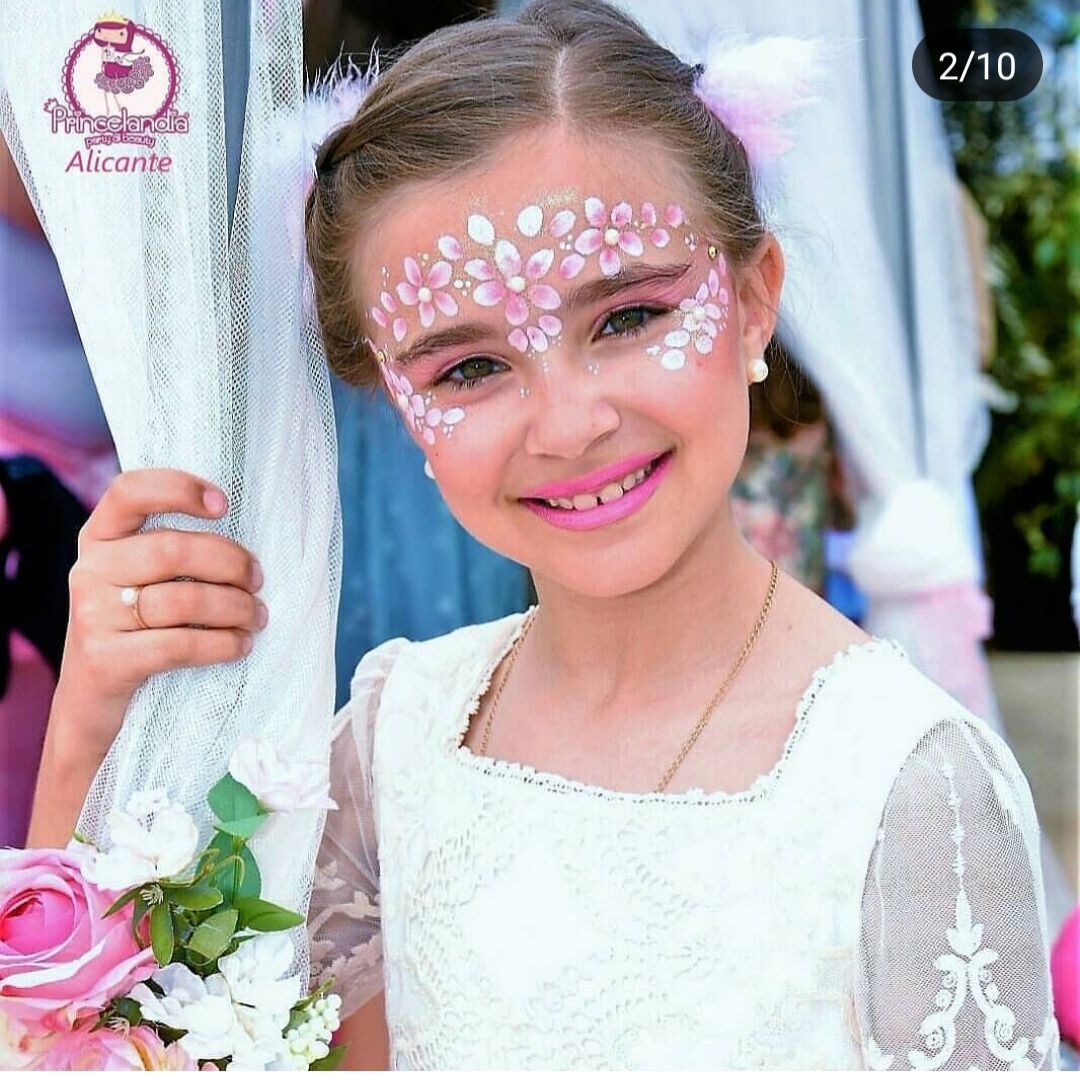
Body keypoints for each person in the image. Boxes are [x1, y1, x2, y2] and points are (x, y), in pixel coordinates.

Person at [29, 0, 1059, 1068]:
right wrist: (86, 727)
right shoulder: (394, 736)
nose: (568, 425)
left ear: (755, 299)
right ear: (393, 399)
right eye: (469, 367)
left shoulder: (910, 781)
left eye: (629, 317)